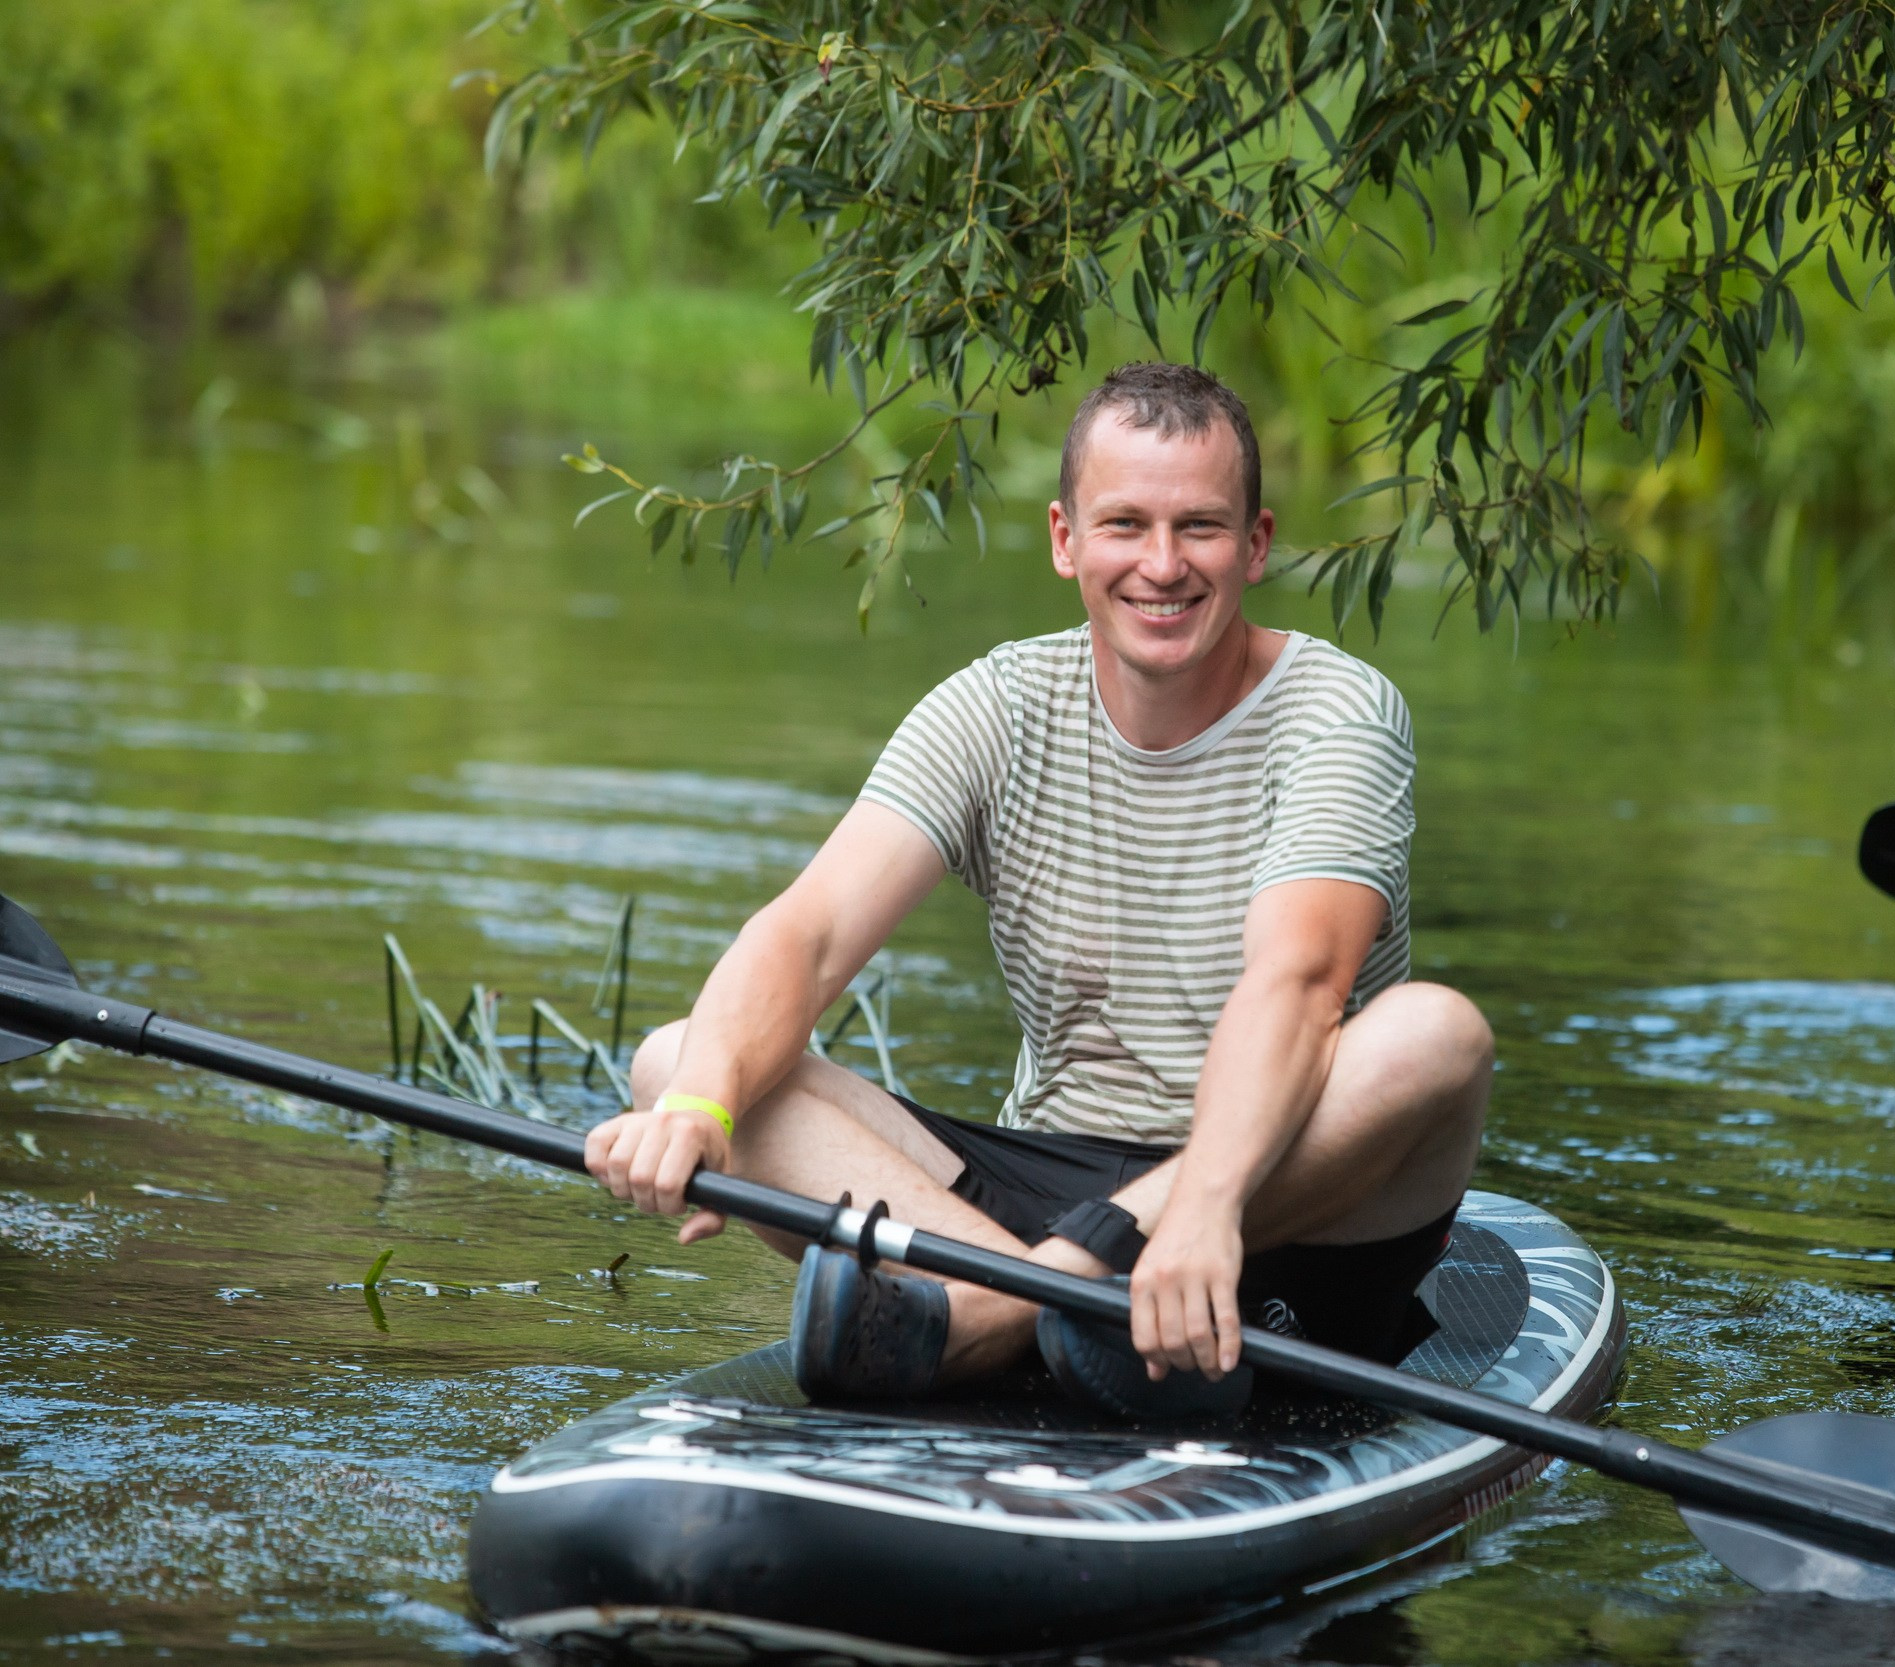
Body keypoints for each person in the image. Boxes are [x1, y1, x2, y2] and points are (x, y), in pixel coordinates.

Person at [583, 362, 1492, 1415]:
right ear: (1066, 539)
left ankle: (990, 1315)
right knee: (677, 1059)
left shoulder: (1339, 714)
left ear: (1255, 543)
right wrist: (702, 1110)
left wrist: (1198, 1208)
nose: (1162, 564)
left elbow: (1296, 982)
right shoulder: (1000, 704)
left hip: (1275, 1205)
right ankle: (1053, 1309)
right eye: (1125, 524)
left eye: (1199, 527)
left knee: (1436, 1035)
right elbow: (810, 931)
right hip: (1027, 1201)